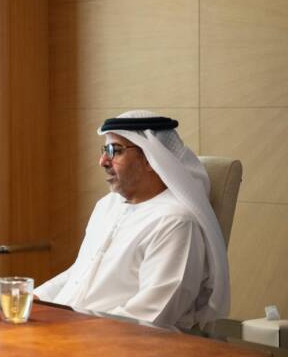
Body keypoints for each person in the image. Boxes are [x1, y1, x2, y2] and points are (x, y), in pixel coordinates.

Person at [36, 110, 230, 330]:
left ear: (150, 159)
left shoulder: (175, 222)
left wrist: (75, 331)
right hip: (68, 331)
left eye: (115, 151)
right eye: (105, 150)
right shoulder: (107, 206)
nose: (103, 161)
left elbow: (152, 313)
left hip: (120, 343)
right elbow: (80, 273)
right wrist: (35, 298)